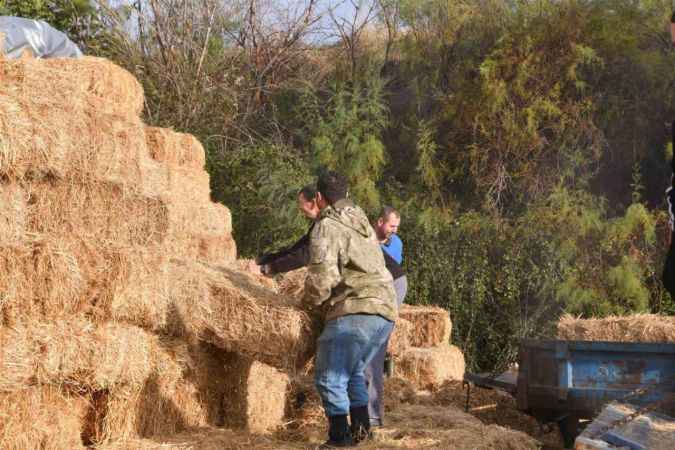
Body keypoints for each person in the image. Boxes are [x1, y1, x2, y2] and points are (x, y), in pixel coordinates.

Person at [303, 171, 397, 448]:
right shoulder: (363, 222)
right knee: (353, 372)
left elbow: (322, 277)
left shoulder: (327, 225)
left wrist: (306, 305)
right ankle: (362, 433)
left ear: (319, 197)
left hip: (356, 309)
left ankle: (339, 440)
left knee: (329, 376)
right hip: (385, 310)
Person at [365, 206, 407, 428]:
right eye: (392, 226)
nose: (394, 231)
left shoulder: (394, 243)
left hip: (387, 290)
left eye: (396, 227)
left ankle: (372, 418)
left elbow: (387, 273)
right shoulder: (365, 237)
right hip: (371, 292)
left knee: (373, 354)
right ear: (379, 222)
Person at [255, 185, 320, 275]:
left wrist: (266, 268)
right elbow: (297, 248)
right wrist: (265, 260)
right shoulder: (319, 223)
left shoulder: (329, 224)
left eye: (303, 208)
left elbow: (304, 256)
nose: (302, 213)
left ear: (313, 203)